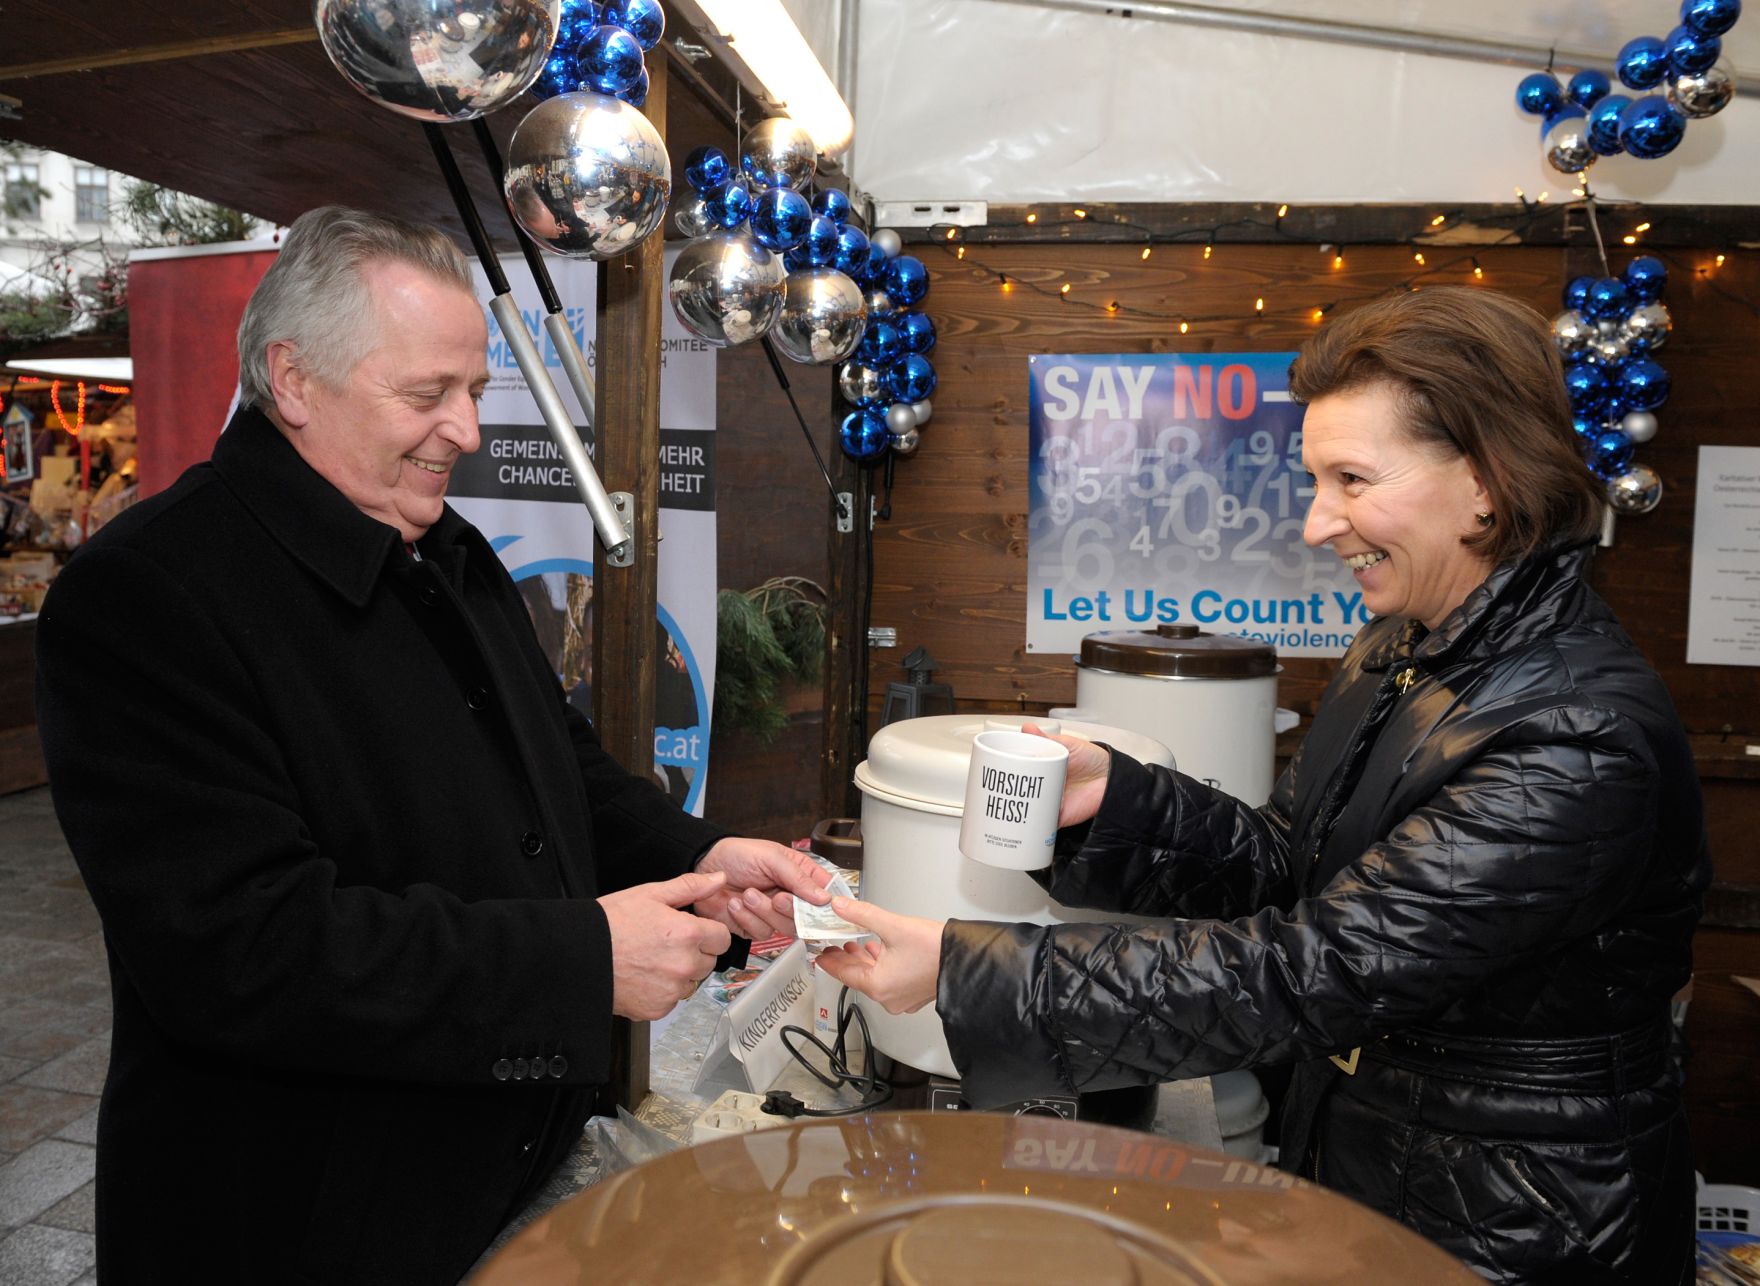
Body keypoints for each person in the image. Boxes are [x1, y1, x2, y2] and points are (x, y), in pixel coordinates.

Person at [820, 286, 1710, 1284]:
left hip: (1521, 1220)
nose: (1317, 522)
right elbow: (1290, 862)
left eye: (1350, 480)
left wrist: (962, 968)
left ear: (1485, 482)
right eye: (1312, 479)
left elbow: (1313, 968)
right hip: (1376, 1156)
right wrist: (1114, 798)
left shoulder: (1574, 734)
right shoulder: (1395, 648)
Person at [34, 206, 830, 1285]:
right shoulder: (146, 594)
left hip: (501, 1181)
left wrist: (700, 859)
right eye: (426, 396)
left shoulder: (442, 549)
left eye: (474, 391)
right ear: (294, 380)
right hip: (299, 1226)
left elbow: (560, 776)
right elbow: (240, 953)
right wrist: (582, 960)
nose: (466, 430)